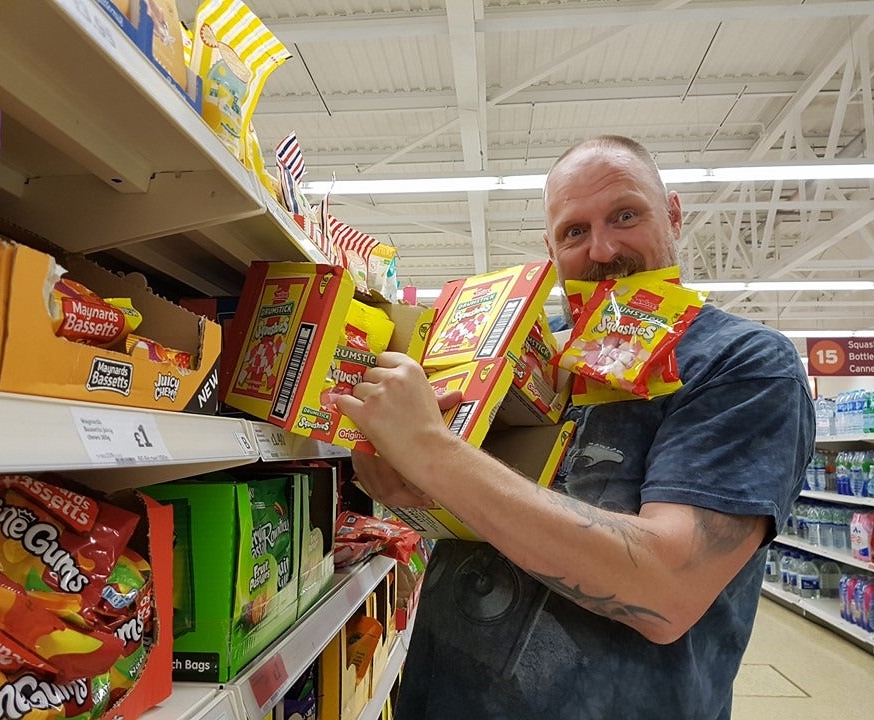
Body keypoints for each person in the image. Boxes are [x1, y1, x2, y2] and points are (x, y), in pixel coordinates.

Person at [333, 135, 816, 719]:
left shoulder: (745, 363)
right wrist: (405, 485)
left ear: (674, 216)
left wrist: (431, 451)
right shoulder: (530, 350)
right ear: (550, 248)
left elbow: (668, 587)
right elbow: (481, 507)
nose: (603, 249)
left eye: (625, 215)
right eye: (574, 232)